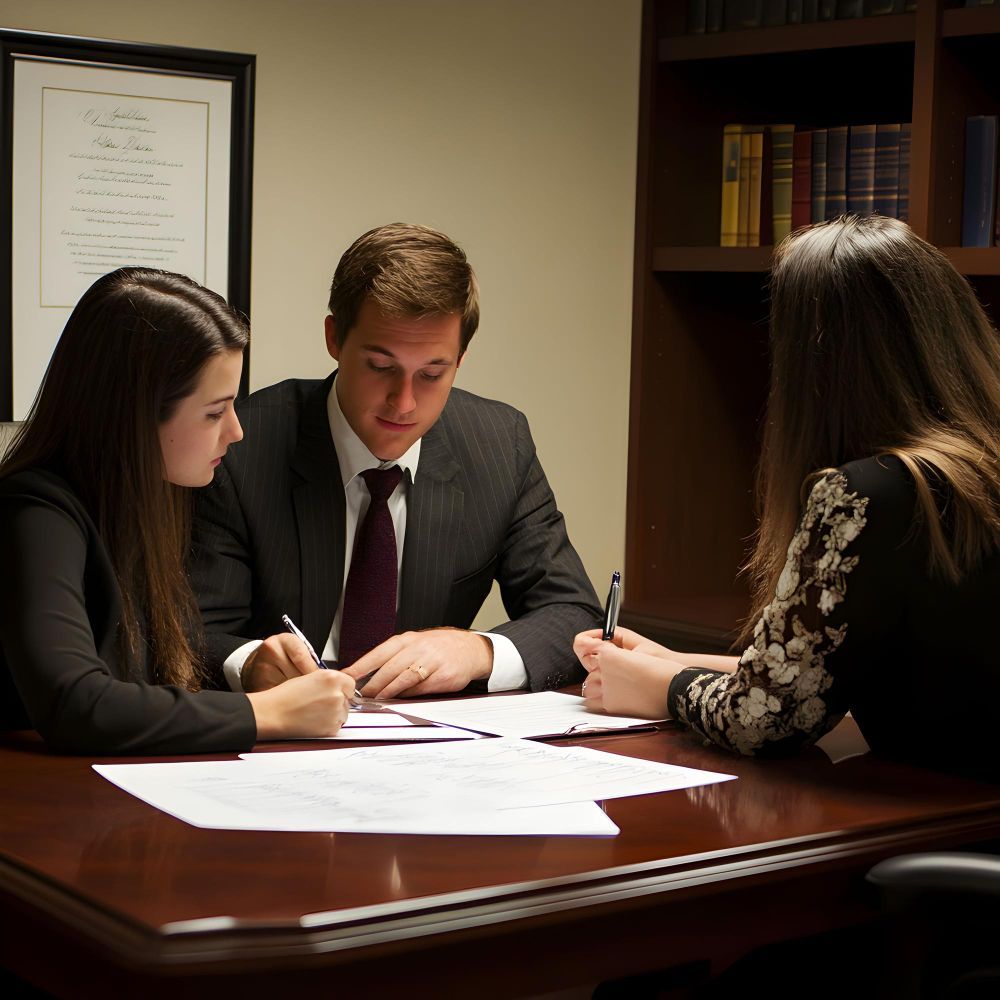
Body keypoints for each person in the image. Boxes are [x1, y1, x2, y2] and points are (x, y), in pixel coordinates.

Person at [575, 216, 1000, 776]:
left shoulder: (870, 492)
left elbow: (767, 720)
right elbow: (818, 674)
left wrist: (664, 688)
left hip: (943, 820)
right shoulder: (971, 470)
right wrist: (672, 662)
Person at [191, 222, 600, 700]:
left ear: (460, 359)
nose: (403, 402)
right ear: (334, 340)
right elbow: (187, 629)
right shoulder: (242, 443)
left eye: (432, 373)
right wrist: (250, 663)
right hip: (274, 736)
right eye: (380, 367)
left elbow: (576, 616)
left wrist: (479, 651)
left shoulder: (499, 445)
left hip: (433, 744)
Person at [0, 269, 355, 754]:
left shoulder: (144, 497)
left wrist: (251, 664)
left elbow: (146, 644)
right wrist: (266, 713)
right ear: (135, 414)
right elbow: (76, 702)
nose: (235, 431)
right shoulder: (34, 515)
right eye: (214, 412)